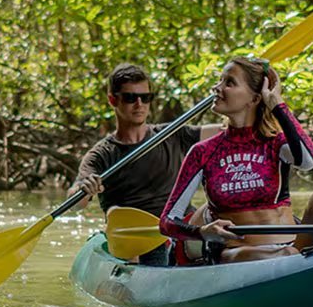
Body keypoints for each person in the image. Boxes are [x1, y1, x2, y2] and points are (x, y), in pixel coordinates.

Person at [158, 56, 313, 264]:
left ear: (254, 99)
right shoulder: (202, 152)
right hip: (239, 253)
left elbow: (309, 161)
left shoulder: (276, 144)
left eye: (229, 82)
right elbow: (167, 222)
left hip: (292, 246)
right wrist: (202, 232)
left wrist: (277, 104)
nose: (217, 88)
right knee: (279, 256)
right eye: (220, 81)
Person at [71, 64, 221, 263]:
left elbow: (227, 130)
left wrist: (252, 97)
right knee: (150, 251)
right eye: (130, 98)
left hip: (180, 227)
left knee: (213, 213)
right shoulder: (101, 155)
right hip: (137, 238)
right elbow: (76, 201)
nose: (139, 104)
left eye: (146, 97)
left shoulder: (172, 134)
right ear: (112, 100)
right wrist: (85, 189)